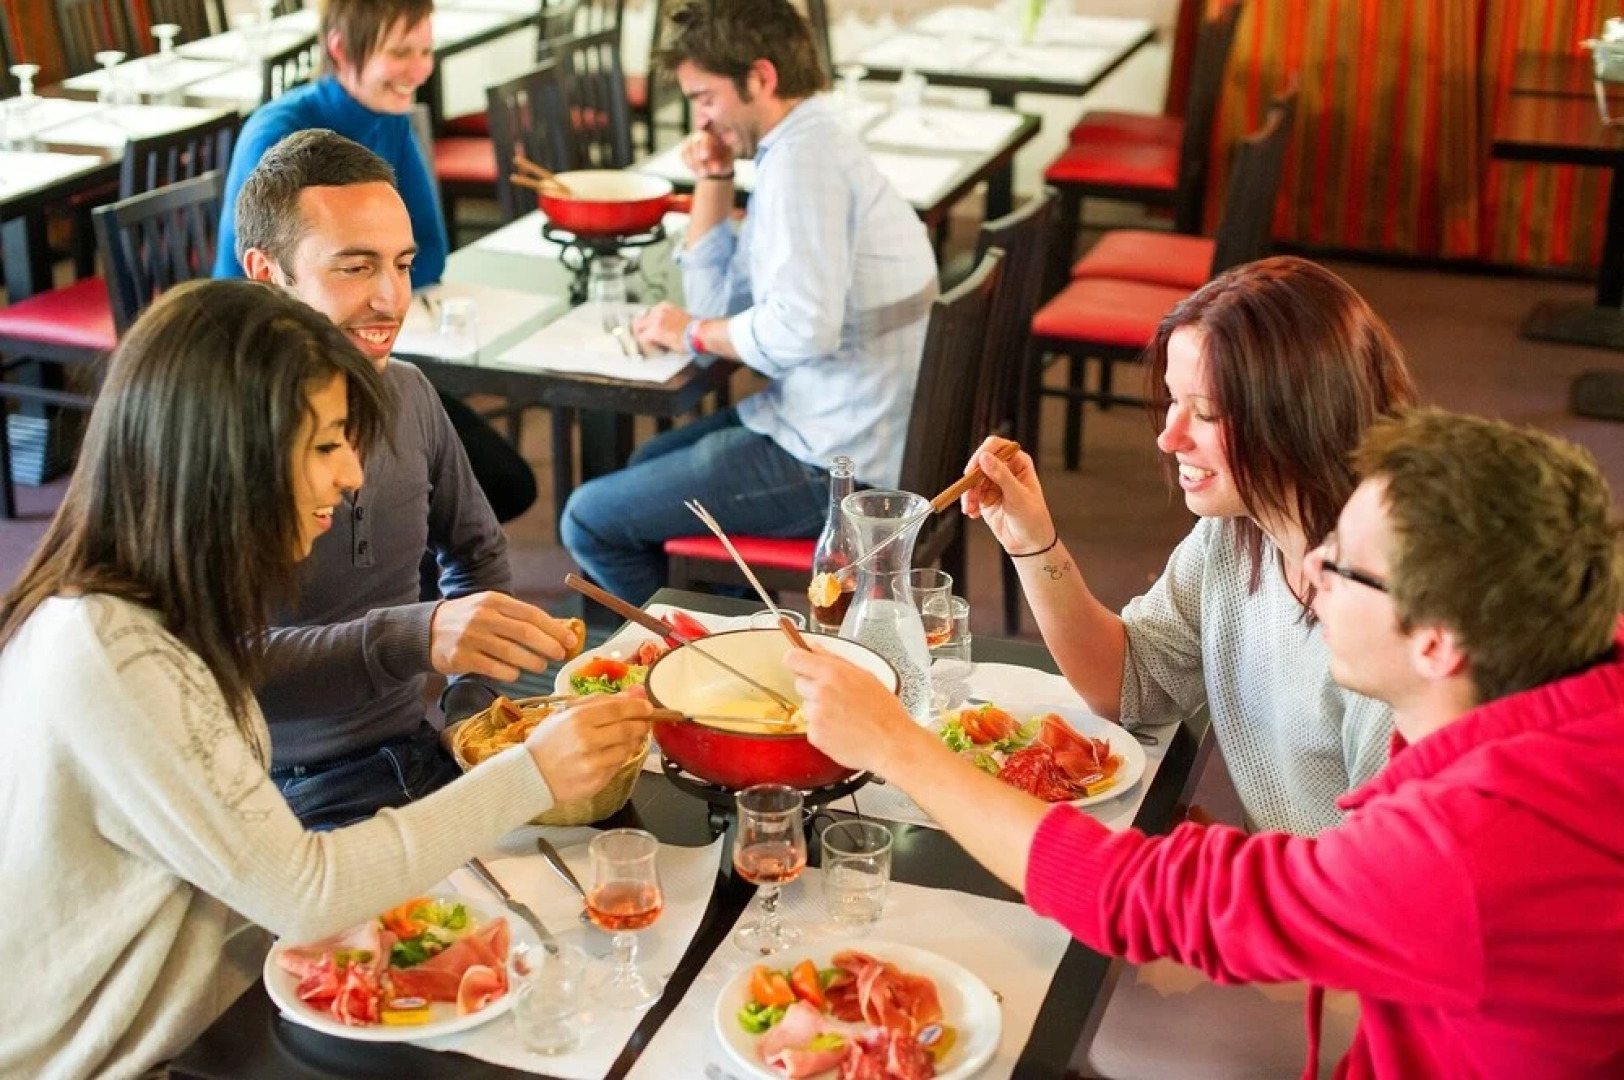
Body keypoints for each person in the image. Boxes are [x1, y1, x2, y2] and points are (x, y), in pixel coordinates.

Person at [788, 407, 1624, 1079]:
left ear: (1437, 641)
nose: (1311, 571)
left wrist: (895, 743)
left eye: (1344, 567)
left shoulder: (1466, 848)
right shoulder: (1574, 675)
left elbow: (1144, 899)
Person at [0, 280, 650, 1080]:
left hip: (197, 1005)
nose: (350, 477)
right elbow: (305, 891)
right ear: (225, 457)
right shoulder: (115, 654)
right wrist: (535, 772)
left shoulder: (146, 610)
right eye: (326, 445)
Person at [980, 257, 1416, 836]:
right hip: (1285, 884)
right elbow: (1130, 683)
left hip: (1331, 911)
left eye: (1206, 413)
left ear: (1301, 418)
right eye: (1172, 401)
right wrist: (1033, 543)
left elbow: (1374, 892)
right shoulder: (1236, 536)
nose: (1169, 437)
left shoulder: (1386, 614)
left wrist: (1211, 860)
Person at [235, 130, 570, 829]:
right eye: (354, 268)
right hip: (278, 788)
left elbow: (476, 555)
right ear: (266, 273)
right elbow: (216, 665)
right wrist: (417, 637)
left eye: (402, 264)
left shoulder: (410, 393)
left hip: (417, 749)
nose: (391, 299)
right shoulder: (218, 439)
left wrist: (472, 704)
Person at [559, 0, 939, 605]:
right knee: (647, 460)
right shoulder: (809, 141)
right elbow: (720, 299)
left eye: (705, 97)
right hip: (849, 417)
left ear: (760, 78)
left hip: (842, 459)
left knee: (589, 519)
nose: (700, 119)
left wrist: (694, 333)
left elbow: (800, 330)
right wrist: (714, 178)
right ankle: (723, 626)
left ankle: (699, 646)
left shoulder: (801, 165)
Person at [213, 0, 536, 522]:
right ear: (341, 49)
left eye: (426, 51)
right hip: (280, 373)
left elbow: (429, 249)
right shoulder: (278, 134)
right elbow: (246, 296)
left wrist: (360, 280)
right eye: (401, 52)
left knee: (507, 483)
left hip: (365, 356)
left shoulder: (389, 116)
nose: (419, 69)